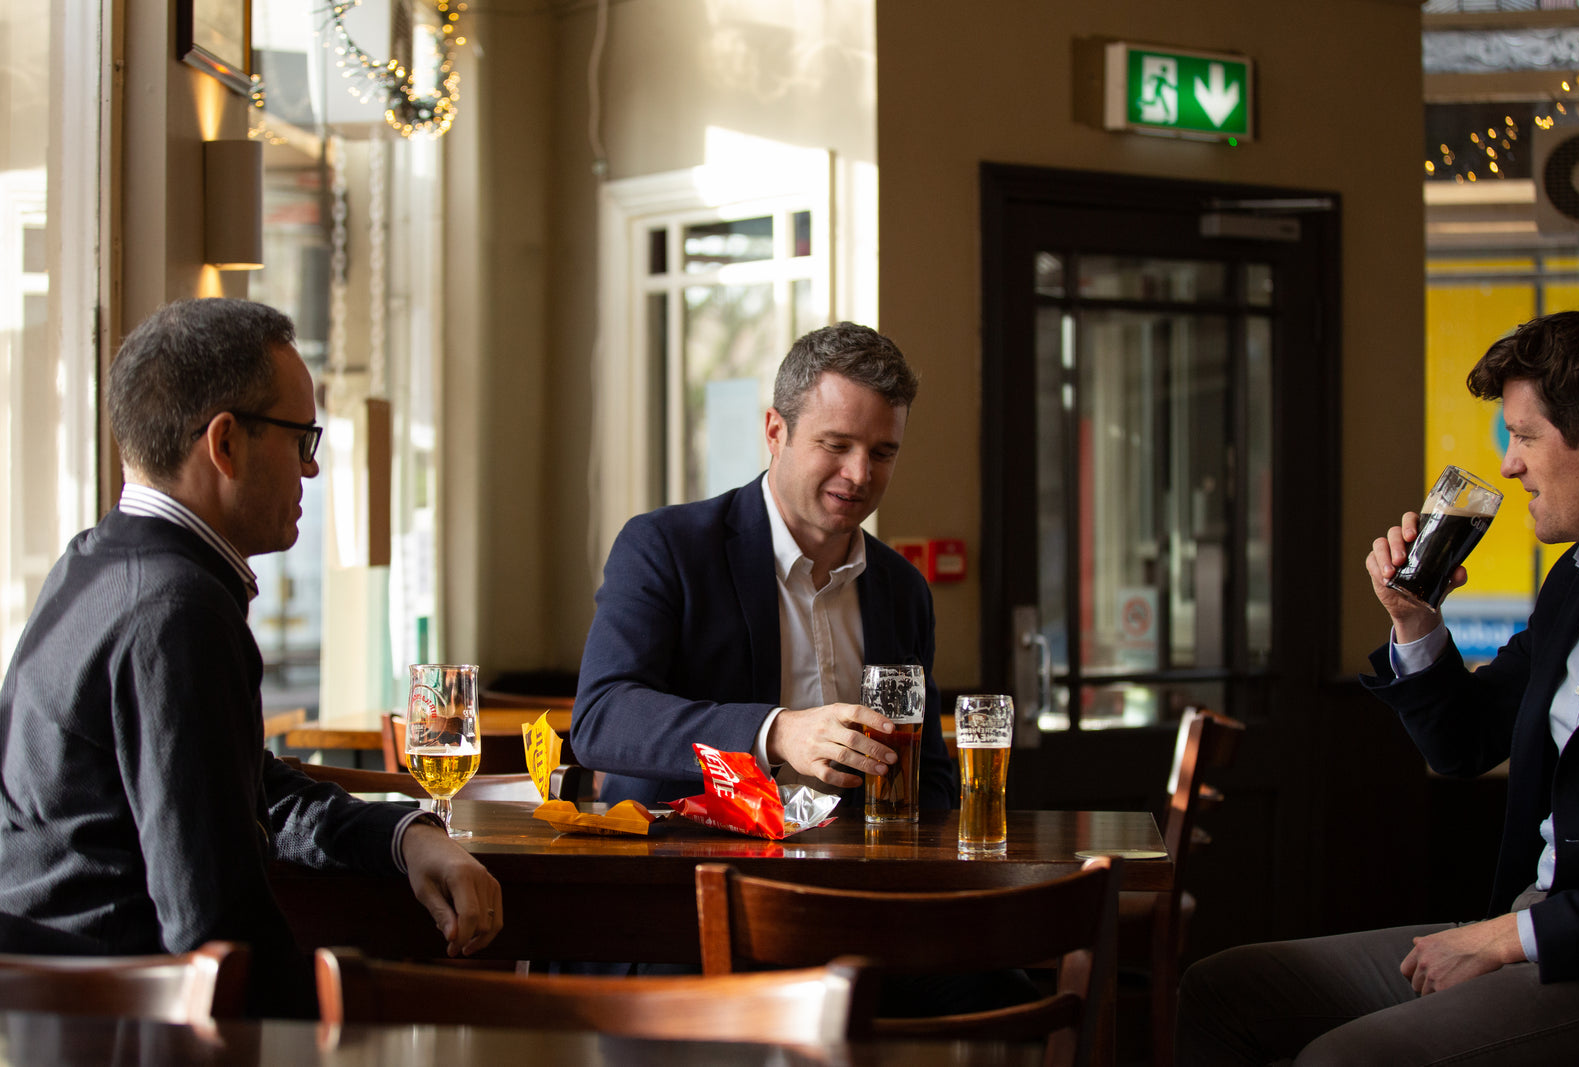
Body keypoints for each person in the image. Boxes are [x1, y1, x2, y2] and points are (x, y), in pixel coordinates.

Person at [0, 298, 503, 1018]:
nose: (313, 468)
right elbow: (213, 928)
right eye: (302, 440)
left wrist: (404, 835)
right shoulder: (178, 610)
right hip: (109, 1023)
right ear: (226, 443)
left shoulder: (92, 562)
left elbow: (240, 782)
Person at [1176, 307, 1579, 1064]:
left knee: (1342, 1061)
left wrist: (1503, 938)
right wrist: (1414, 620)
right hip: (1524, 929)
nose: (1508, 464)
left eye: (1525, 436)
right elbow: (1463, 745)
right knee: (1221, 989)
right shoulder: (1575, 584)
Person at [571, 321, 958, 812]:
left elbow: (930, 777)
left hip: (856, 860)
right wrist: (775, 732)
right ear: (776, 432)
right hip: (680, 854)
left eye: (882, 452)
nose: (860, 474)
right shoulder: (666, 547)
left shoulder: (903, 589)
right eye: (836, 445)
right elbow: (602, 720)